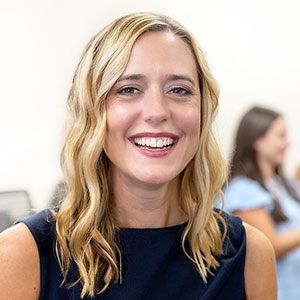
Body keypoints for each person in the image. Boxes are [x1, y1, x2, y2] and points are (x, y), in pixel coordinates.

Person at [0, 13, 276, 300]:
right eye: (128, 89)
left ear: (202, 112)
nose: (157, 112)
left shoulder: (250, 255)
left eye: (179, 90)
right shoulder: (23, 256)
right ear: (93, 112)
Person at [224, 105, 300, 300]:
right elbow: (271, 246)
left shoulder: (288, 186)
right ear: (257, 140)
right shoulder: (242, 191)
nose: (287, 143)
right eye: (281, 136)